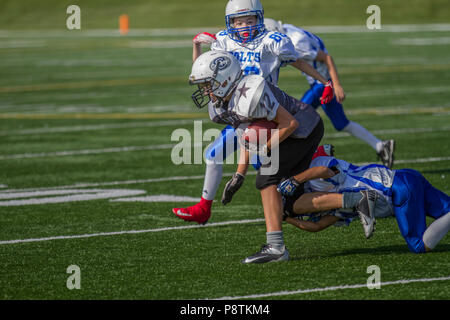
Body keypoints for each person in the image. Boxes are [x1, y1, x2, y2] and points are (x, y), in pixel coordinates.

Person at [172, 0, 334, 225]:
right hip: (239, 111)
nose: (246, 26)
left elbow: (296, 62)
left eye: (250, 20)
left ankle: (317, 170)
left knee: (260, 168)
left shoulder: (271, 41)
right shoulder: (225, 41)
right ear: (231, 23)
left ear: (259, 19)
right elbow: (205, 71)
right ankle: (314, 174)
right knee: (258, 166)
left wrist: (325, 81)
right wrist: (197, 46)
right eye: (240, 22)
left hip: (263, 110)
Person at [186, 50, 326, 263]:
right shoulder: (221, 104)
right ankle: (353, 201)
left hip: (304, 128)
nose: (205, 91)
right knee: (291, 200)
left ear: (224, 79)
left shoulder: (251, 91)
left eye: (207, 85)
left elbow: (290, 123)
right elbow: (247, 137)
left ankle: (276, 248)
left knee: (266, 179)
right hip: (287, 132)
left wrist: (264, 149)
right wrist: (239, 175)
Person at [264, 18, 395, 169]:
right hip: (321, 83)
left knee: (294, 119)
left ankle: (303, 157)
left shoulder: (297, 43)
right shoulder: (286, 29)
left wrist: (336, 84)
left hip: (322, 85)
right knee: (341, 124)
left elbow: (326, 57)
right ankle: (380, 145)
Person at [278, 144, 450, 253]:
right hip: (403, 179)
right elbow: (317, 226)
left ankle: (365, 199)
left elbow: (326, 169)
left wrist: (296, 180)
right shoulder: (337, 202)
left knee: (419, 245)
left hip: (395, 190)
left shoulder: (316, 175)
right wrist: (286, 218)